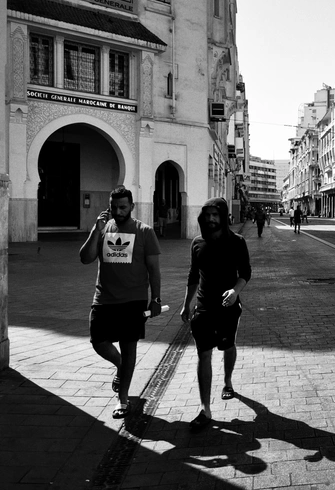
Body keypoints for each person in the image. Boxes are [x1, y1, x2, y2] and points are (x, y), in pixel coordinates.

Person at [79, 185, 162, 419]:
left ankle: (122, 400)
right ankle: (120, 364)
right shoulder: (103, 229)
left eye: (123, 207)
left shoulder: (145, 232)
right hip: (103, 298)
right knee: (98, 342)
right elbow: (85, 258)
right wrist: (95, 230)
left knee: (129, 347)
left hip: (133, 300)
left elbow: (154, 269)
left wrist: (155, 298)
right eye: (114, 207)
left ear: (132, 206)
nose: (118, 211)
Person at [180, 198, 251, 432]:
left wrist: (235, 291)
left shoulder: (237, 242)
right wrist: (186, 304)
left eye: (215, 214)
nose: (211, 219)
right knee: (204, 354)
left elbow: (245, 272)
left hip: (228, 307)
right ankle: (205, 409)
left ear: (223, 216)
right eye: (207, 215)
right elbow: (193, 275)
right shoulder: (197, 243)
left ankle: (228, 381)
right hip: (203, 308)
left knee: (228, 346)